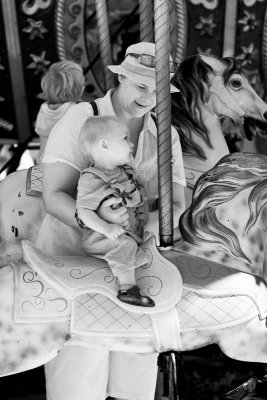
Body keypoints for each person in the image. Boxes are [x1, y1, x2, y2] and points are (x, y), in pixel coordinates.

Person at [37, 41, 186, 400]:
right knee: (78, 378)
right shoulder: (82, 118)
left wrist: (143, 224)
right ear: (120, 79)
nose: (149, 97)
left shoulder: (166, 136)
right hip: (75, 260)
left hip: (136, 263)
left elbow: (179, 202)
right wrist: (102, 224)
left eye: (158, 91)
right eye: (140, 86)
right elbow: (53, 194)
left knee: (134, 381)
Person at [76, 115, 155, 307]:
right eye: (125, 138)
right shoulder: (91, 178)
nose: (132, 144)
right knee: (124, 246)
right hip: (102, 238)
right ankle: (128, 289)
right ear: (104, 145)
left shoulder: (125, 172)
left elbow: (135, 198)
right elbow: (83, 211)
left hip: (128, 232)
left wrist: (145, 209)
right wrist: (105, 228)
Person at [35, 59, 85, 161]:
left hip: (43, 161)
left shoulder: (43, 110)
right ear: (81, 91)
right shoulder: (75, 112)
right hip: (66, 165)